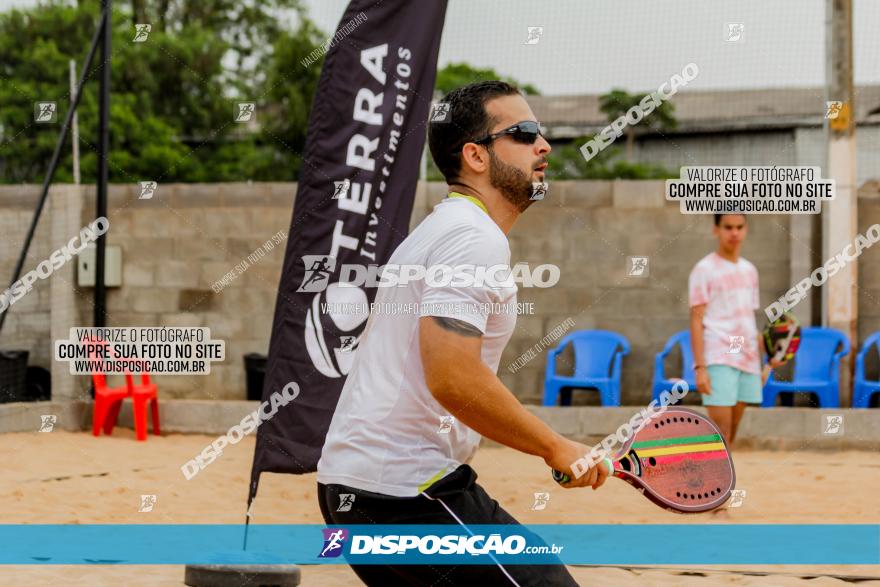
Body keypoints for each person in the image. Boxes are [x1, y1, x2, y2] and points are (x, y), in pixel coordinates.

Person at [316, 80, 608, 586]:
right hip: (402, 492)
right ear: (475, 155)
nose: (544, 146)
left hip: (366, 485)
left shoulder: (445, 229)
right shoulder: (471, 239)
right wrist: (554, 446)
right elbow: (452, 376)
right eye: (524, 132)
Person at [688, 213, 782, 445]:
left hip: (747, 357)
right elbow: (696, 320)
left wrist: (770, 351)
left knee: (731, 435)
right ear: (716, 230)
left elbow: (745, 319)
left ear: (746, 229)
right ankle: (716, 482)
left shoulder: (750, 270)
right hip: (719, 355)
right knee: (720, 433)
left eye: (739, 227)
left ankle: (723, 482)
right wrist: (700, 367)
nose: (734, 233)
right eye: (728, 227)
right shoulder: (704, 269)